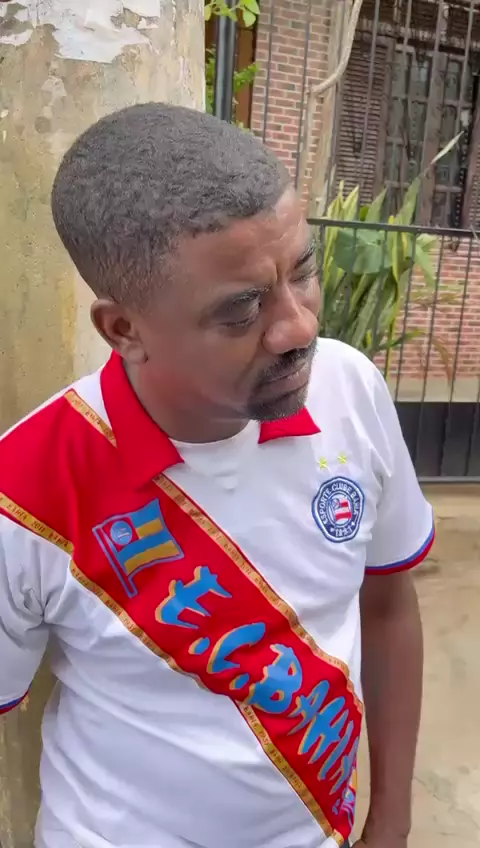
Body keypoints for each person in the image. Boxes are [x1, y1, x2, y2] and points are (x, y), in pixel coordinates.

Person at [0, 103, 433, 848]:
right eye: (242, 311)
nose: (299, 327)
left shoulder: (350, 389)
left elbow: (387, 605)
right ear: (124, 330)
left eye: (303, 273)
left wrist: (390, 821)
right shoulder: (26, 491)